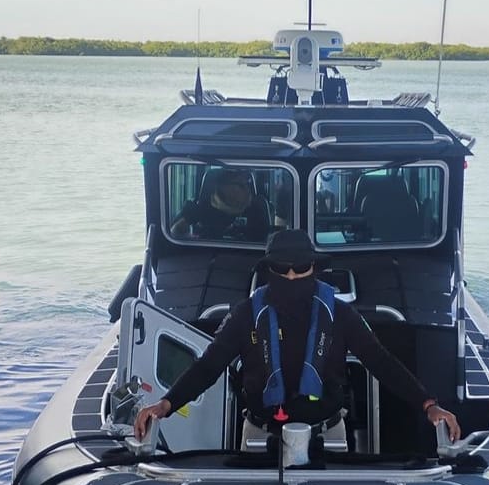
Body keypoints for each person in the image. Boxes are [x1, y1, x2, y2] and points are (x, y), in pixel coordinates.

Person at [134, 229, 461, 445]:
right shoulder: (246, 313)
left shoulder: (341, 315)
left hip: (328, 432)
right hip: (259, 434)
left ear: (314, 267)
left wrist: (429, 404)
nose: (292, 275)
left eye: (301, 266)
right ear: (269, 270)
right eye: (281, 267)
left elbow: (380, 362)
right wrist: (166, 404)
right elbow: (209, 366)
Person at [171, 168, 269, 241]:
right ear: (222, 187)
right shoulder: (197, 210)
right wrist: (186, 222)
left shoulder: (256, 211)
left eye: (248, 184)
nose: (248, 189)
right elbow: (173, 238)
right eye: (241, 185)